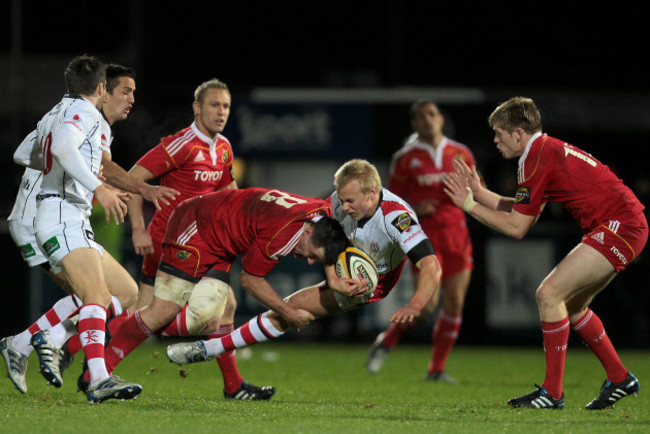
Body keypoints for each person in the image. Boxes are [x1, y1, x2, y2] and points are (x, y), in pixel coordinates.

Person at [443, 96, 647, 410]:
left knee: (548, 294)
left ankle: (552, 393)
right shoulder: (543, 150)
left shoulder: (533, 157)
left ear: (517, 134)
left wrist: (469, 206)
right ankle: (620, 378)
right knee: (573, 306)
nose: (495, 141)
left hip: (620, 225)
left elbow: (517, 227)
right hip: (624, 223)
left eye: (499, 134)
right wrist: (480, 194)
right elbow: (525, 211)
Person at [166, 159, 443, 384]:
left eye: (350, 201)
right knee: (288, 309)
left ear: (372, 194)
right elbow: (327, 236)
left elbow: (431, 264)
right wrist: (333, 277)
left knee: (292, 308)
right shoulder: (337, 201)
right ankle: (207, 350)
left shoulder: (397, 217)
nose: (343, 207)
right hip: (343, 262)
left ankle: (205, 346)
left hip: (372, 280)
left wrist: (416, 304)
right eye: (341, 200)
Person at [0, 57, 176, 403]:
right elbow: (64, 148)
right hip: (61, 214)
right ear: (100, 89)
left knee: (126, 294)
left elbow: (24, 153)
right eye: (125, 91)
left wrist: (59, 167)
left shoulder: (56, 112)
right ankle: (97, 377)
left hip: (66, 214)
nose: (131, 98)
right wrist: (95, 186)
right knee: (94, 295)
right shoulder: (86, 114)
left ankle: (25, 341)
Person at [97, 187, 350, 399]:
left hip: (219, 236)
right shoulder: (283, 235)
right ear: (307, 232)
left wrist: (333, 278)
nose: (308, 262)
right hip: (196, 225)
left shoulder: (321, 214)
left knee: (226, 306)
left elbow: (334, 209)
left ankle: (233, 386)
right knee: (163, 313)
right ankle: (98, 371)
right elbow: (250, 279)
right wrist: (288, 312)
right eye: (313, 255)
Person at [118, 78, 273, 400]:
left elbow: (229, 195)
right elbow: (132, 180)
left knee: (154, 311)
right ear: (197, 108)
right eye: (214, 105)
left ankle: (86, 354)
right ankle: (89, 353)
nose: (221, 112)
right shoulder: (182, 144)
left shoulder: (225, 148)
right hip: (168, 242)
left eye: (226, 106)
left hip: (199, 244)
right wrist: (138, 229)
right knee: (164, 315)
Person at [366, 99, 478, 383]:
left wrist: (475, 197)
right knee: (426, 307)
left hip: (457, 236)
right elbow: (390, 202)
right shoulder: (405, 158)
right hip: (424, 240)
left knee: (454, 303)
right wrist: (415, 206)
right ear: (414, 124)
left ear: (441, 118)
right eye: (420, 116)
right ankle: (387, 340)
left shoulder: (461, 152)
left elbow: (479, 188)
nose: (427, 120)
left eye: (432, 114)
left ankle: (436, 369)